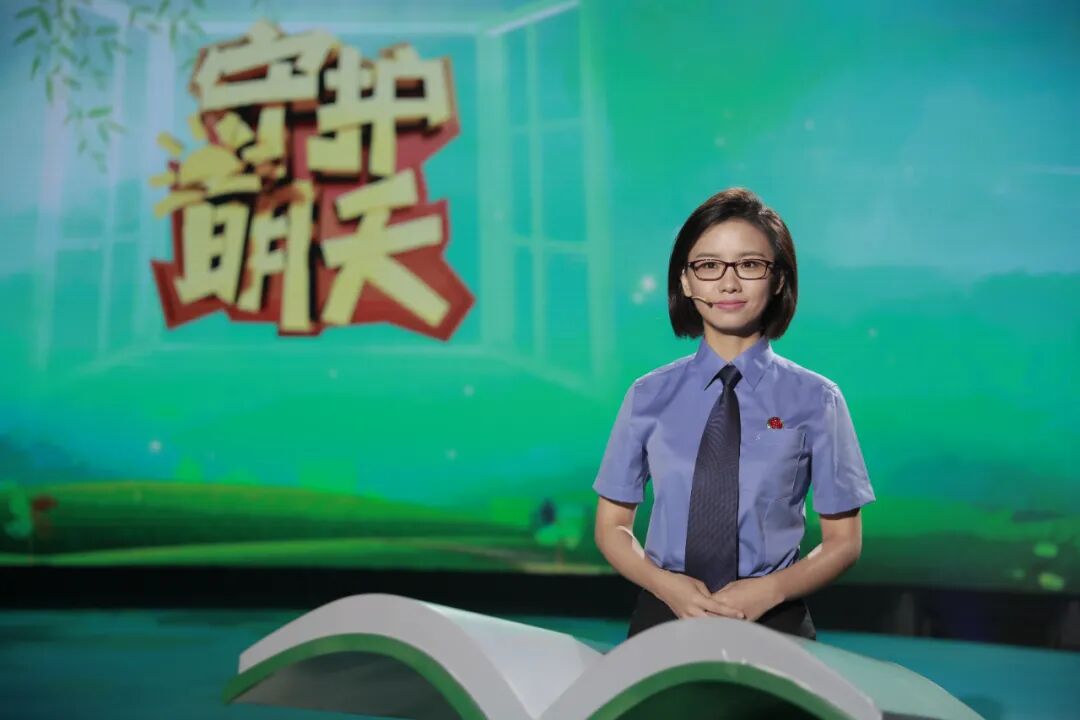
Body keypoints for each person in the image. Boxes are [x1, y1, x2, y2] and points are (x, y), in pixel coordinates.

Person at [592, 187, 876, 641]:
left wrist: (769, 591)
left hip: (774, 619)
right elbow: (611, 528)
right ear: (686, 282)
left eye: (749, 265)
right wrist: (666, 586)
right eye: (708, 266)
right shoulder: (648, 395)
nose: (728, 284)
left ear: (778, 279)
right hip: (665, 614)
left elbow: (844, 543)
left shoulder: (818, 399)